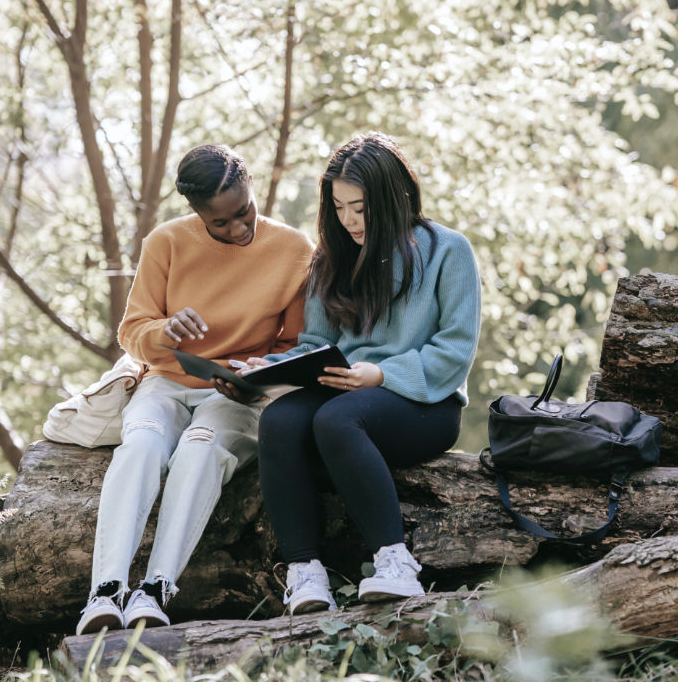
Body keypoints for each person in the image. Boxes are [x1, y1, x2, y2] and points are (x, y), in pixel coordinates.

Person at [75, 144, 313, 634]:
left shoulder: (294, 251)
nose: (237, 229)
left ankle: (155, 590)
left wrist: (259, 373)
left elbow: (297, 346)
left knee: (200, 450)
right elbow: (131, 333)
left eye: (243, 213)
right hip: (166, 382)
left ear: (251, 188)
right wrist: (163, 331)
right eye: (220, 223)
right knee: (139, 444)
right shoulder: (165, 242)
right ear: (195, 212)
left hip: (236, 396)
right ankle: (105, 592)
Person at [244, 132, 481, 615]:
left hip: (424, 404)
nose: (348, 220)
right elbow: (313, 347)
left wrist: (380, 374)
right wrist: (262, 370)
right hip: (344, 392)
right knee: (280, 421)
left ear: (395, 197)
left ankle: (395, 563)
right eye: (339, 207)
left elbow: (455, 350)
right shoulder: (331, 259)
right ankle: (304, 573)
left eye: (360, 208)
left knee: (336, 419)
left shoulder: (448, 250)